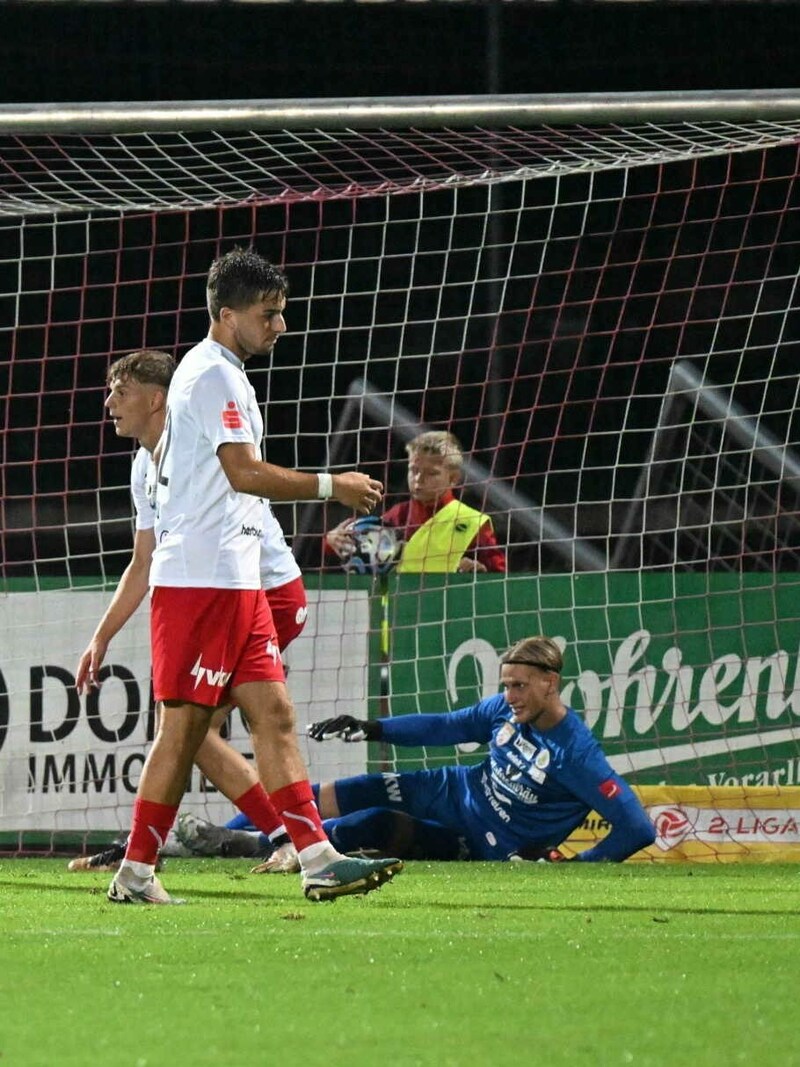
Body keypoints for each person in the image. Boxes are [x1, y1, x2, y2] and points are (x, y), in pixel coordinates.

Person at [105, 247, 402, 904]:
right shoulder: (212, 376)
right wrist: (334, 484)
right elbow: (243, 472)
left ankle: (317, 856)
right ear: (227, 311)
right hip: (202, 580)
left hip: (234, 579)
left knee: (275, 714)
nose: (280, 325)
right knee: (182, 731)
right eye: (268, 314)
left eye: (282, 313)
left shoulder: (221, 373)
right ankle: (136, 868)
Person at [71, 348, 305, 875]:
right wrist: (101, 636)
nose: (108, 403)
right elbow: (143, 561)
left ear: (157, 400)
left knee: (183, 729)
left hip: (267, 593)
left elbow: (245, 482)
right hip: (227, 593)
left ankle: (144, 856)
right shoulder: (142, 467)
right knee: (186, 731)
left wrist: (328, 486)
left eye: (120, 392)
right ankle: (290, 840)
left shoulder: (199, 447)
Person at [183, 635, 655, 867]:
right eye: (506, 685)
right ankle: (215, 842)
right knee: (343, 789)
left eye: (520, 686)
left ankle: (260, 845)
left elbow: (637, 827)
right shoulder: (504, 711)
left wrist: (575, 869)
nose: (510, 695)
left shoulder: (576, 755)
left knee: (376, 824)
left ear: (551, 684)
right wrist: (373, 728)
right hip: (451, 788)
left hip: (485, 840)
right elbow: (445, 726)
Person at [325, 430, 506, 574]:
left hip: (452, 614)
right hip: (398, 614)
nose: (418, 479)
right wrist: (332, 541)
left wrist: (480, 570)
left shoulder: (473, 523)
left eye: (431, 473)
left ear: (453, 478)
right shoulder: (396, 515)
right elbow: (352, 546)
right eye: (413, 470)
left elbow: (500, 576)